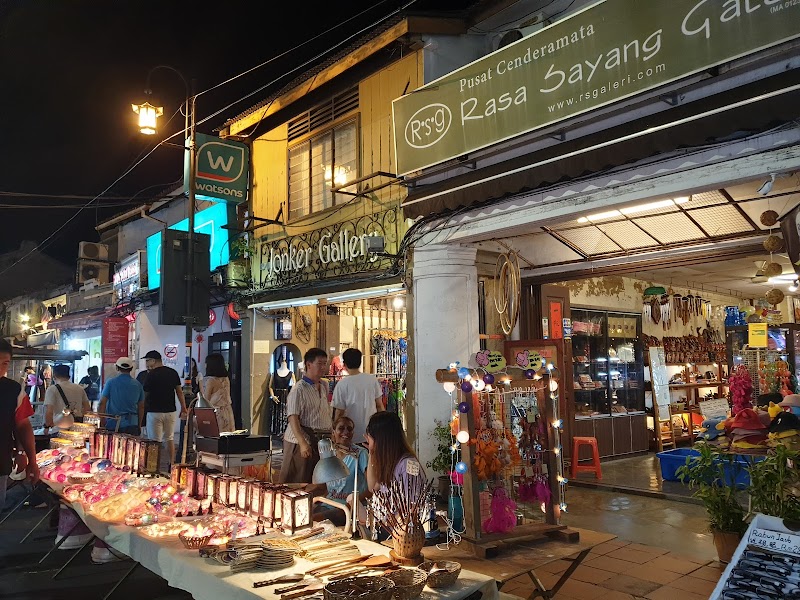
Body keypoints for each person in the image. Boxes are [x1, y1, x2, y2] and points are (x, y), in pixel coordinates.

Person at [278, 348, 332, 484]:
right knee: (297, 481)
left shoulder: (324, 386)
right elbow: (293, 417)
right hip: (300, 441)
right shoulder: (299, 389)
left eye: (325, 364)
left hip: (320, 440)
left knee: (316, 481)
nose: (323, 367)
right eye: (319, 363)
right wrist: (302, 442)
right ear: (308, 364)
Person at [0, 339, 39, 512]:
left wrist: (29, 458)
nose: (0, 368)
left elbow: (23, 425)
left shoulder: (14, 391)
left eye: (5, 363)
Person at [315, 415, 368, 525]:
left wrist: (353, 502)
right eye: (341, 428)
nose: (346, 432)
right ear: (333, 432)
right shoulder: (329, 454)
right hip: (328, 504)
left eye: (349, 429)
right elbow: (322, 486)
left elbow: (371, 489)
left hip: (347, 508)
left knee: (315, 519)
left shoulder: (360, 454)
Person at [142, 350, 187, 467]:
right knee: (169, 438)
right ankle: (171, 464)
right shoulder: (172, 373)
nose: (146, 364)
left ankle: (154, 466)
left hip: (154, 411)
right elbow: (179, 391)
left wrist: (142, 409)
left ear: (153, 361)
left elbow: (145, 394)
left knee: (154, 441)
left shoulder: (151, 375)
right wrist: (183, 407)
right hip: (170, 411)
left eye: (147, 361)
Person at [332, 348, 384, 443]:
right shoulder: (372, 380)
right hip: (371, 433)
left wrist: (335, 432)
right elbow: (379, 406)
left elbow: (339, 412)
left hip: (349, 434)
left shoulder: (342, 384)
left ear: (344, 364)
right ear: (360, 362)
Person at [98, 357, 144, 435]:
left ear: (117, 368)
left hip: (114, 424)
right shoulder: (138, 384)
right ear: (131, 368)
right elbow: (141, 406)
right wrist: (139, 425)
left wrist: (102, 422)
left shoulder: (110, 383)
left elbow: (102, 403)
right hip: (132, 424)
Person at [43, 364, 91, 431]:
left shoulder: (52, 389)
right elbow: (87, 409)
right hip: (77, 429)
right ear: (69, 376)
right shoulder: (79, 389)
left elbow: (49, 411)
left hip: (58, 428)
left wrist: (47, 427)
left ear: (54, 376)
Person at [201, 353, 235, 433]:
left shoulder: (211, 381)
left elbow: (206, 400)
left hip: (216, 413)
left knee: (215, 436)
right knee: (228, 435)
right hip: (228, 410)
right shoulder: (226, 379)